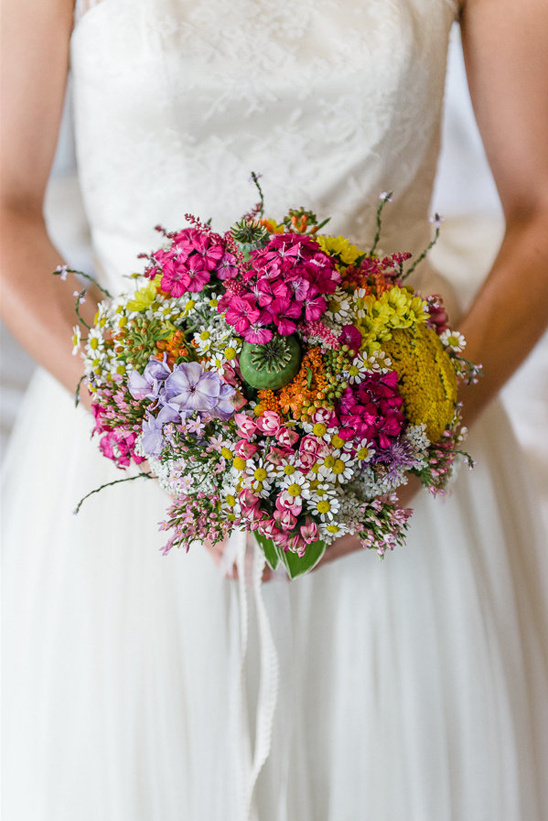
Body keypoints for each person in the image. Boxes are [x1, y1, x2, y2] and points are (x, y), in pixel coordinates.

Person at [1, 0, 548, 818]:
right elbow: (6, 205)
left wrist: (413, 436)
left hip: (402, 465)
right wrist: (168, 435)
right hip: (134, 473)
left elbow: (541, 212)